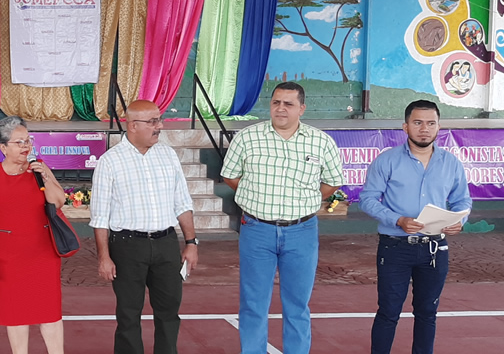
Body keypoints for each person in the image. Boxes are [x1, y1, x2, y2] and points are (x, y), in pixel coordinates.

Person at [221, 82, 343, 354]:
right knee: (253, 303)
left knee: (297, 305)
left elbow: (333, 182)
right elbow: (229, 176)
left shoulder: (321, 141)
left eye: (288, 104)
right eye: (276, 102)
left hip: (302, 232)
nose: (280, 108)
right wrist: (255, 196)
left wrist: (304, 202)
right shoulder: (247, 138)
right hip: (256, 230)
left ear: (302, 108)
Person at [359, 100, 472, 354]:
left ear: (439, 127)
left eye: (431, 123)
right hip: (395, 247)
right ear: (405, 126)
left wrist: (459, 220)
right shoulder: (387, 161)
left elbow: (462, 199)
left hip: (434, 248)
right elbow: (366, 199)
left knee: (427, 311)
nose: (424, 129)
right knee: (388, 311)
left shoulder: (451, 163)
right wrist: (397, 220)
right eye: (417, 122)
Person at [90, 99, 198, 354]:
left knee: (169, 311)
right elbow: (100, 217)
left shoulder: (168, 155)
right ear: (132, 126)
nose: (159, 126)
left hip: (166, 244)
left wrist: (191, 243)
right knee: (128, 314)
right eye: (152, 122)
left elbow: (182, 202)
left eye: (159, 120)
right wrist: (104, 257)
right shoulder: (110, 162)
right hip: (127, 247)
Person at [0, 116, 66, 354]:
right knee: (15, 315)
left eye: (28, 141)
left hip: (43, 253)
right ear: (3, 147)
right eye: (19, 142)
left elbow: (58, 202)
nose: (26, 146)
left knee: (50, 312)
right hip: (8, 257)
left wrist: (45, 175)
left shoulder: (39, 169)